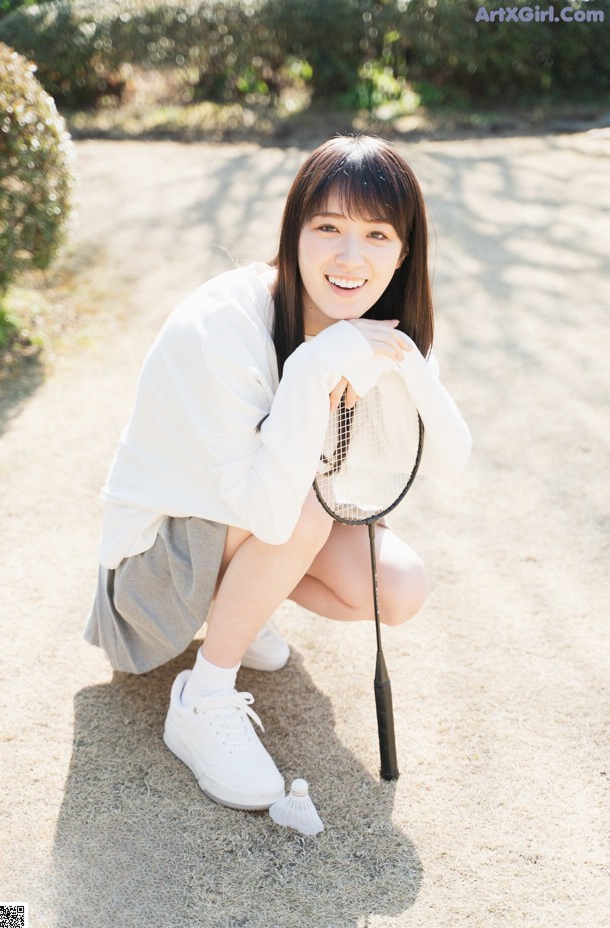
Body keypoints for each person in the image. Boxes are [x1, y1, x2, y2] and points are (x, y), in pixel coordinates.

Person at [85, 134, 472, 811]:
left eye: (377, 235)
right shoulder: (225, 324)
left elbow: (450, 459)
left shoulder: (375, 324)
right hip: (149, 576)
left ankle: (245, 599)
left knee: (399, 587)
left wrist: (409, 361)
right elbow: (269, 511)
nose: (351, 258)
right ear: (294, 232)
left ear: (404, 252)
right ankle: (203, 700)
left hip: (249, 526)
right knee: (300, 510)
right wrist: (318, 365)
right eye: (328, 228)